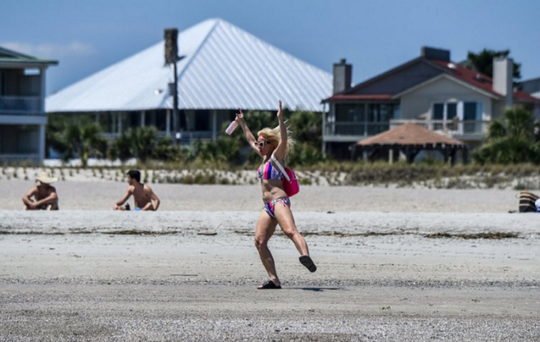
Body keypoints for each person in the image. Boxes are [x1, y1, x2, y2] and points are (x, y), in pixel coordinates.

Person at [236, 100, 316, 290]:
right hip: (267, 207)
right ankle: (274, 280)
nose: (258, 145)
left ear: (271, 144)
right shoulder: (263, 159)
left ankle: (305, 255)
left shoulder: (276, 157)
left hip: (279, 201)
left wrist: (280, 120)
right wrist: (243, 123)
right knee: (259, 242)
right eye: (258, 143)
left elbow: (285, 140)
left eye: (262, 143)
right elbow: (249, 139)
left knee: (290, 231)